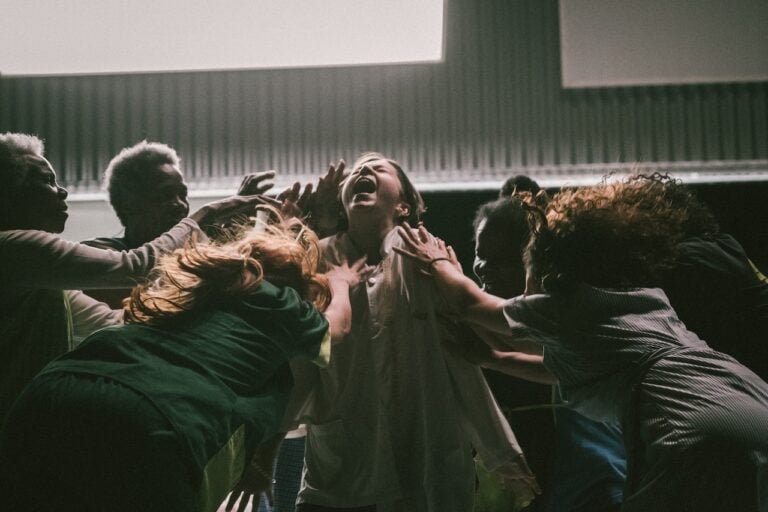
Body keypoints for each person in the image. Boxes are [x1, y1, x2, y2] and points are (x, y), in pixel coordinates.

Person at [395, 174, 768, 512]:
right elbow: (556, 366)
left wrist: (438, 261)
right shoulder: (639, 301)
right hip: (748, 401)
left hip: (693, 426)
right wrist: (490, 357)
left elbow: (475, 306)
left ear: (548, 269)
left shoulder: (569, 303)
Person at [0, 211, 368, 512]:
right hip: (159, 421)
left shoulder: (187, 296)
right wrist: (340, 282)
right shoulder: (279, 301)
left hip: (52, 393)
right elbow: (337, 330)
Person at [290, 152, 539, 512]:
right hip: (340, 472)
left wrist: (499, 450)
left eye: (378, 168)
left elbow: (461, 360)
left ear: (404, 205)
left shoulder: (427, 257)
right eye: (357, 170)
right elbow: (299, 357)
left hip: (422, 467)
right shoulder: (315, 260)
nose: (363, 170)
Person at [0, 132, 267, 423]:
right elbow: (135, 267)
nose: (62, 191)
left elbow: (120, 323)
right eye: (47, 181)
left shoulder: (46, 284)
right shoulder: (15, 248)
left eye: (183, 196)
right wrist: (207, 217)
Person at [469, 192, 626, 512]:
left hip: (590, 488)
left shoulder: (569, 316)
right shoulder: (483, 331)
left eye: (499, 258)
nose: (483, 268)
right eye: (479, 254)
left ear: (532, 261)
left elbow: (510, 332)